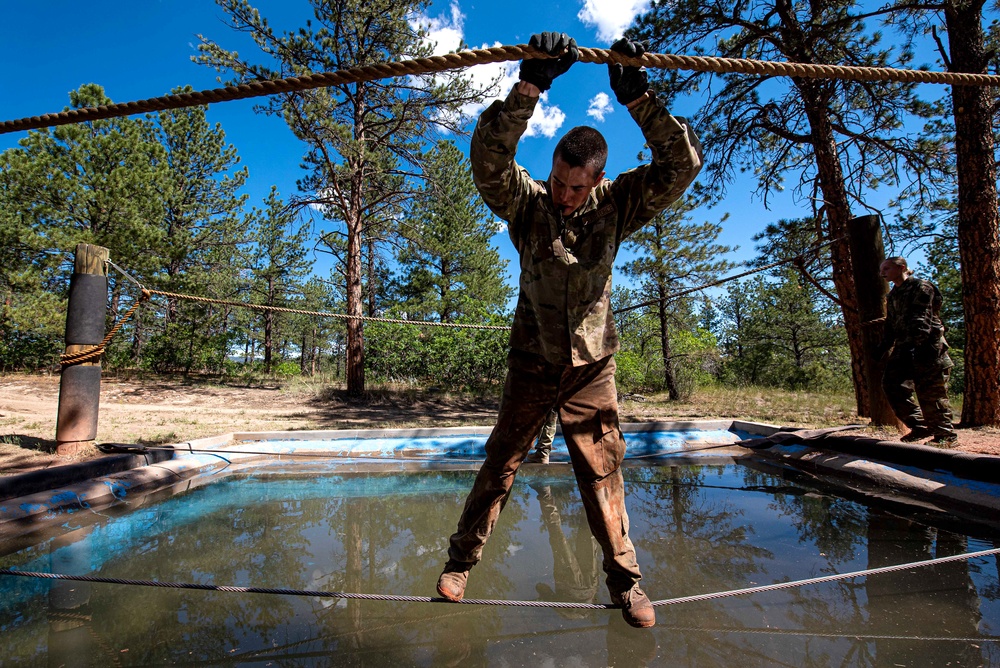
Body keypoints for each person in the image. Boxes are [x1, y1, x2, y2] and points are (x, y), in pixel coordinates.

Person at [435, 31, 704, 629]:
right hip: (531, 359)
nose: (562, 194)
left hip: (591, 366)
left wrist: (638, 98)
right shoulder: (528, 203)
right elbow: (487, 161)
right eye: (557, 181)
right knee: (500, 461)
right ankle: (459, 563)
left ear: (596, 180)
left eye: (574, 187)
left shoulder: (620, 203)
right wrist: (529, 86)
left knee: (601, 470)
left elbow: (680, 164)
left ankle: (626, 584)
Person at [876, 257, 957, 446]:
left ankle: (945, 437)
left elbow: (922, 320)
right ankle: (919, 426)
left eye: (887, 268)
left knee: (930, 391)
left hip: (928, 349)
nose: (883, 272)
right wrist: (883, 346)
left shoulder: (921, 287)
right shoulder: (893, 295)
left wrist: (915, 346)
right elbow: (891, 324)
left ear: (901, 267)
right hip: (904, 347)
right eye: (882, 269)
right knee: (892, 384)